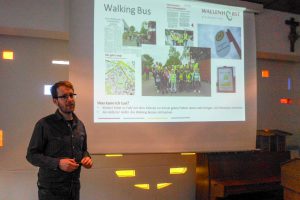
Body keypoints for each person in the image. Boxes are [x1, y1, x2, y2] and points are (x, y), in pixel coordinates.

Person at [26, 81, 93, 200]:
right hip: (51, 191)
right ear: (55, 101)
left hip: (74, 188)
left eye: (72, 95)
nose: (70, 99)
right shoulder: (44, 124)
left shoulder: (80, 125)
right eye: (64, 96)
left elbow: (84, 150)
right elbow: (31, 155)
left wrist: (87, 158)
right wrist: (58, 163)